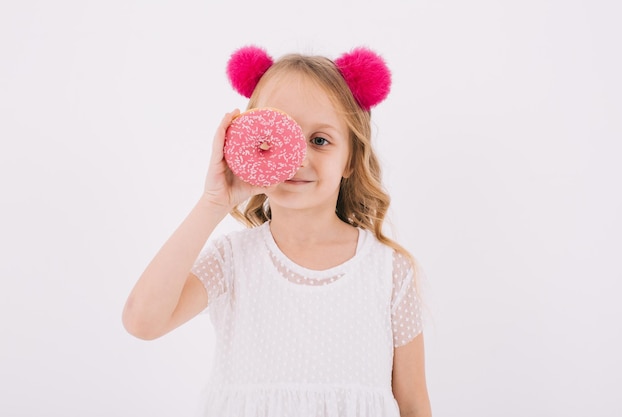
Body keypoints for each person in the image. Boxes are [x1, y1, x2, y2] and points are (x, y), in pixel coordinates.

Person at [122, 45, 432, 417]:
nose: (298, 158)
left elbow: (413, 403)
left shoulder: (388, 271)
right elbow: (142, 322)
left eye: (320, 140)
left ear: (350, 159)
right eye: (274, 140)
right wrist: (213, 203)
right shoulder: (232, 261)